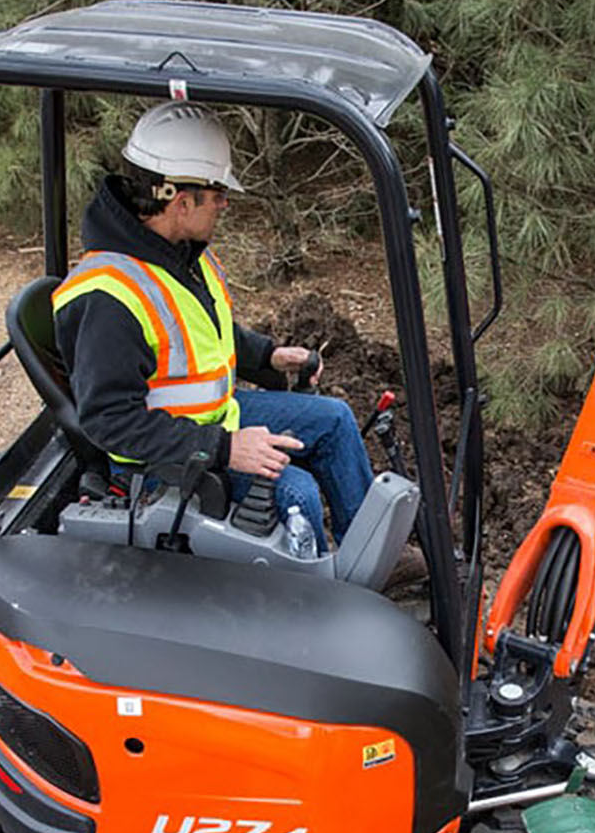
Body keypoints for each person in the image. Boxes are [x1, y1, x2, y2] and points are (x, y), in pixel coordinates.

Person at [53, 101, 372, 554]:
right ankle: (314, 608)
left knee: (336, 420)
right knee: (296, 492)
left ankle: (369, 558)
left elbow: (199, 333)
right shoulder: (108, 298)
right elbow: (110, 422)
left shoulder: (178, 254)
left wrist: (266, 358)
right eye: (218, 193)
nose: (224, 203)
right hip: (161, 462)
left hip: (213, 420)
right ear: (182, 203)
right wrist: (224, 450)